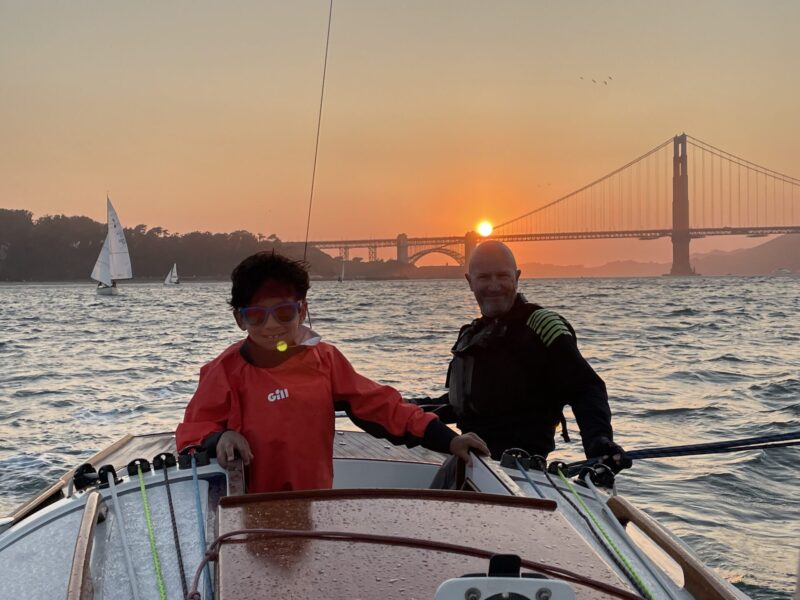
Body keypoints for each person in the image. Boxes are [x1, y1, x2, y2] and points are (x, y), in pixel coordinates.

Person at [175, 251, 488, 493]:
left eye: (284, 313)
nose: (272, 326)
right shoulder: (224, 371)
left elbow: (382, 407)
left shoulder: (325, 360)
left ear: (303, 310)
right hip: (247, 511)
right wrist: (220, 438)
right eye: (256, 316)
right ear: (239, 320)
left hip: (313, 505)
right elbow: (191, 433)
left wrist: (448, 440)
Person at [425, 240, 630, 473]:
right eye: (484, 277)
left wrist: (598, 441)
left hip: (523, 470)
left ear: (517, 277)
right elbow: (465, 403)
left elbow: (585, 388)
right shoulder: (471, 336)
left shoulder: (541, 326)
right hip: (473, 462)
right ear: (469, 281)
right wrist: (409, 413)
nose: (494, 286)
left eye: (502, 276)